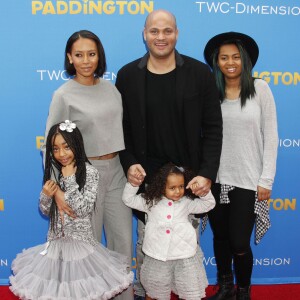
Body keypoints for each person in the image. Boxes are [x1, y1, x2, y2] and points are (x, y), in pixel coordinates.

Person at [116, 9, 222, 298]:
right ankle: (149, 292)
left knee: (186, 246)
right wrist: (130, 163)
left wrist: (207, 173)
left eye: (167, 31)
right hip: (147, 180)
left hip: (188, 182)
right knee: (147, 245)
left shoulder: (200, 74)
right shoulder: (127, 76)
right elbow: (121, 128)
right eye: (154, 31)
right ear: (144, 33)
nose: (160, 37)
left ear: (177, 33)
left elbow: (213, 128)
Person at [43, 30, 133, 300]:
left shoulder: (111, 89)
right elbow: (52, 147)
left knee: (122, 244)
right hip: (82, 177)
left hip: (117, 171)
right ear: (70, 58)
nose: (86, 60)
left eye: (91, 54)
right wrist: (58, 191)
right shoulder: (63, 94)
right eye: (79, 55)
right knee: (86, 249)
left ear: (99, 56)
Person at [10, 121, 134, 299]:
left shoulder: (90, 173)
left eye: (66, 147)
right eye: (55, 149)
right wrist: (46, 195)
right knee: (58, 290)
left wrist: (69, 180)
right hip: (55, 246)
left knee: (80, 291)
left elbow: (82, 209)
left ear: (76, 144)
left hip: (81, 248)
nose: (61, 154)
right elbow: (46, 210)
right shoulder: (54, 172)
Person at [203, 32, 278, 300]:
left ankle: (243, 289)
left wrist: (266, 180)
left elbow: (271, 136)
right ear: (216, 61)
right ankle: (225, 287)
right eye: (224, 57)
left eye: (235, 57)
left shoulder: (260, 89)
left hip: (248, 179)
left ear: (245, 60)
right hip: (216, 179)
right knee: (220, 238)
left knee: (238, 242)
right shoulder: (211, 93)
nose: (230, 62)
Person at [122, 163, 216, 300]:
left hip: (184, 256)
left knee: (189, 291)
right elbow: (128, 199)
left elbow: (208, 204)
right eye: (172, 188)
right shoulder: (151, 201)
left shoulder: (187, 202)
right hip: (157, 256)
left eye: (181, 186)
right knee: (154, 292)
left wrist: (203, 193)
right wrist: (134, 184)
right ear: (161, 186)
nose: (178, 191)